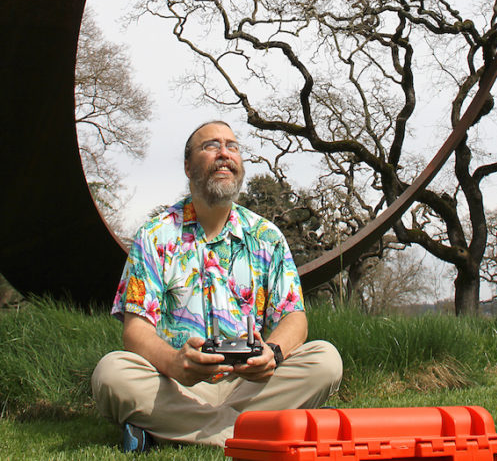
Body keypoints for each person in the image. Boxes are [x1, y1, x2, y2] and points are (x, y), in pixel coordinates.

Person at [92, 120, 343, 452]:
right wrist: (173, 363)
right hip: (178, 385)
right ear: (187, 165)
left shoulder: (266, 237)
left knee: (325, 360)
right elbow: (135, 330)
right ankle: (262, 429)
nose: (224, 153)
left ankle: (168, 430)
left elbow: (294, 318)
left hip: (252, 384)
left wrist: (273, 353)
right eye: (211, 146)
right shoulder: (155, 237)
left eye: (232, 146)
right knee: (111, 372)